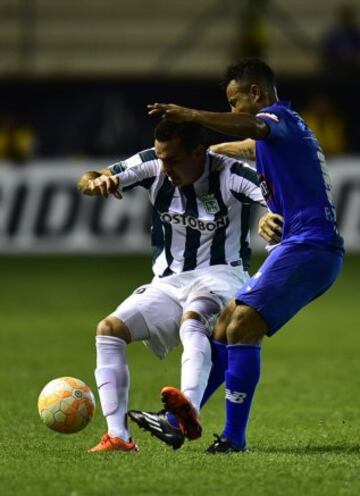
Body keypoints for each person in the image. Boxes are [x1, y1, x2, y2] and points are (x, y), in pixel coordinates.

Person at [146, 57, 345, 453]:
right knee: (224, 325)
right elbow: (246, 144)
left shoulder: (275, 118)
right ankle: (177, 422)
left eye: (235, 102)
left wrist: (193, 116)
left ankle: (235, 439)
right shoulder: (283, 132)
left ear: (256, 94)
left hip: (311, 246)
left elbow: (252, 127)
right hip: (302, 245)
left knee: (242, 327)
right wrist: (203, 153)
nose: (233, 110)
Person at [78, 119, 275, 452]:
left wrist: (269, 216)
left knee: (193, 319)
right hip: (168, 281)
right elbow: (88, 178)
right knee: (108, 329)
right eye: (160, 156)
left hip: (221, 275)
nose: (164, 166)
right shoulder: (152, 164)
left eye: (171, 159)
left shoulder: (231, 174)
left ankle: (188, 413)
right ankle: (118, 437)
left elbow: (276, 197)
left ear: (198, 153)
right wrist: (96, 183)